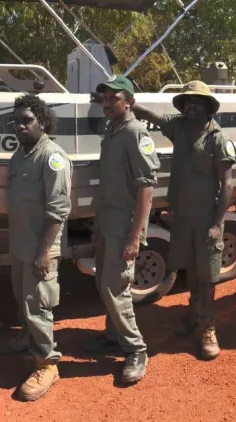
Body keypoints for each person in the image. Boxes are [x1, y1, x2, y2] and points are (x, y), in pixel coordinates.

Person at [133, 80, 235, 360]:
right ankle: (194, 314)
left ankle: (207, 325)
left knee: (208, 275)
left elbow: (227, 185)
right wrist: (132, 103)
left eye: (197, 102)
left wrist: (217, 223)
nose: (191, 107)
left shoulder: (217, 138)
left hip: (207, 220)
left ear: (206, 107)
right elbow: (154, 117)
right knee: (190, 268)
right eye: (188, 102)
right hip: (183, 218)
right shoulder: (178, 128)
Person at [84, 75, 160, 384]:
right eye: (104, 98)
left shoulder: (134, 133)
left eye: (113, 98)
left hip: (124, 225)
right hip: (106, 222)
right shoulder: (111, 131)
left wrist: (134, 236)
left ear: (129, 101)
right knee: (105, 282)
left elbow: (146, 188)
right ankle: (113, 335)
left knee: (115, 287)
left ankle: (135, 349)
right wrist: (97, 226)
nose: (106, 102)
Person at [0, 94, 72, 401]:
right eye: (16, 121)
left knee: (39, 307)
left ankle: (47, 364)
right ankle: (29, 338)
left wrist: (43, 251)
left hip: (41, 249)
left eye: (26, 120)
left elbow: (58, 209)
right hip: (20, 245)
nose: (20, 126)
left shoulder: (51, 156)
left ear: (42, 122)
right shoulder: (20, 156)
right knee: (23, 300)